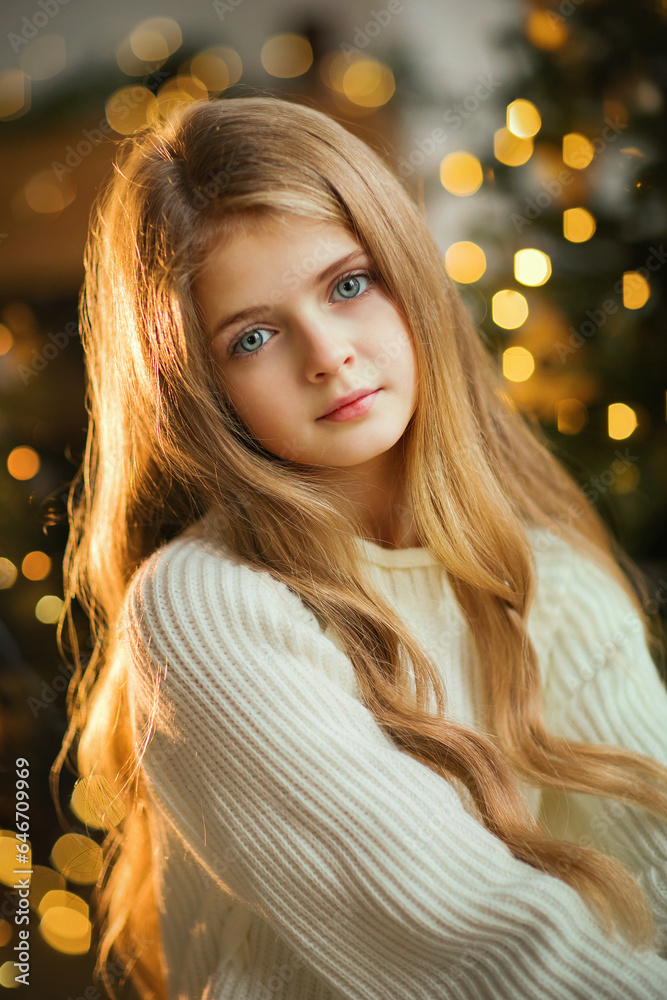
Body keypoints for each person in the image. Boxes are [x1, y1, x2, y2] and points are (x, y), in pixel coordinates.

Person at [54, 95, 667, 1000]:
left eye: (348, 284)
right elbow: (474, 942)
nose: (328, 354)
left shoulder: (548, 582)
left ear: (408, 275)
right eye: (253, 337)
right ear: (201, 390)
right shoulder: (205, 606)